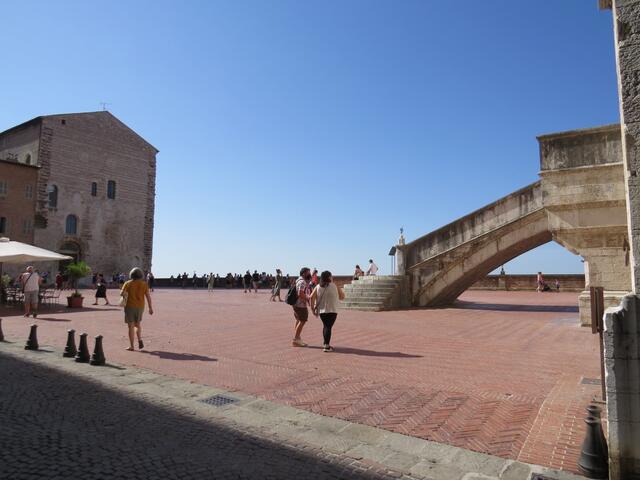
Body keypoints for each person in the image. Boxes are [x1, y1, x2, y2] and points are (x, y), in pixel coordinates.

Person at [310, 271, 345, 352]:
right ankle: (326, 346)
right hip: (332, 310)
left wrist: (312, 309)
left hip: (322, 311)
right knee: (328, 327)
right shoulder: (334, 285)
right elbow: (342, 297)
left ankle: (325, 343)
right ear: (329, 277)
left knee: (326, 326)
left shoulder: (318, 286)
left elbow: (311, 297)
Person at [121, 267, 154, 351]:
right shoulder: (144, 284)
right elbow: (148, 297)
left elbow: (122, 294)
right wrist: (150, 307)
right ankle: (139, 339)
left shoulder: (127, 283)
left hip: (129, 306)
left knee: (130, 326)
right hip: (140, 307)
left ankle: (132, 346)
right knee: (137, 324)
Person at [292, 267, 312, 347]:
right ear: (304, 273)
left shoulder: (298, 280)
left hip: (296, 304)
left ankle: (297, 338)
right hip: (300, 305)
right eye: (308, 272)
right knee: (302, 321)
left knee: (298, 320)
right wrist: (308, 298)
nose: (309, 274)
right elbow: (300, 293)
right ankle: (296, 339)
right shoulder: (302, 282)